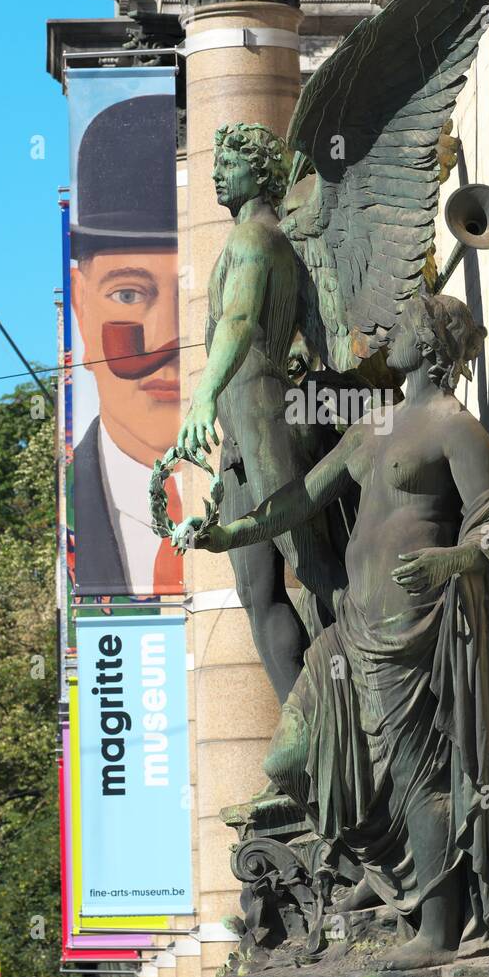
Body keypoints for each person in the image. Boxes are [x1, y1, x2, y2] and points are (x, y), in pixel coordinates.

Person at [174, 293, 489, 968]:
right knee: (291, 758)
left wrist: (453, 558)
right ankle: (388, 864)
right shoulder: (373, 427)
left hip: (415, 629)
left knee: (419, 772)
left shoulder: (454, 427)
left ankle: (440, 929)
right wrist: (228, 533)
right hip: (353, 630)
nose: (389, 338)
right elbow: (303, 498)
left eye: (405, 329)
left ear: (429, 347)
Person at [177, 123, 347, 702]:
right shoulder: (252, 238)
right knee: (256, 590)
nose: (218, 173)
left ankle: (374, 687)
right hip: (241, 431)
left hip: (264, 412)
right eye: (217, 162)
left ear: (261, 171)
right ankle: (308, 741)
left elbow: (241, 322)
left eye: (231, 163)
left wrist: (202, 396)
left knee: (314, 563)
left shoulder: (255, 237)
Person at [70, 93, 182, 596]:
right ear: (81, 305)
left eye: (197, 293)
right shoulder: (72, 510)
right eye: (130, 293)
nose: (167, 339)